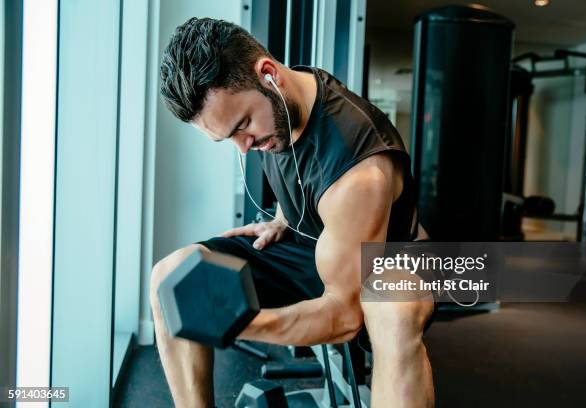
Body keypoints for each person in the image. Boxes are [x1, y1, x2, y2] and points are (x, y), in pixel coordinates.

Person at [151, 17, 434, 408]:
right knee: (173, 275)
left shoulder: (359, 173)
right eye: (228, 138)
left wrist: (241, 323)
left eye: (243, 126)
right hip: (316, 247)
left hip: (379, 264)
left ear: (268, 75)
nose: (244, 147)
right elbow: (301, 170)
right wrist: (284, 217)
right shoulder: (287, 98)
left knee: (394, 312)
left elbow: (345, 315)